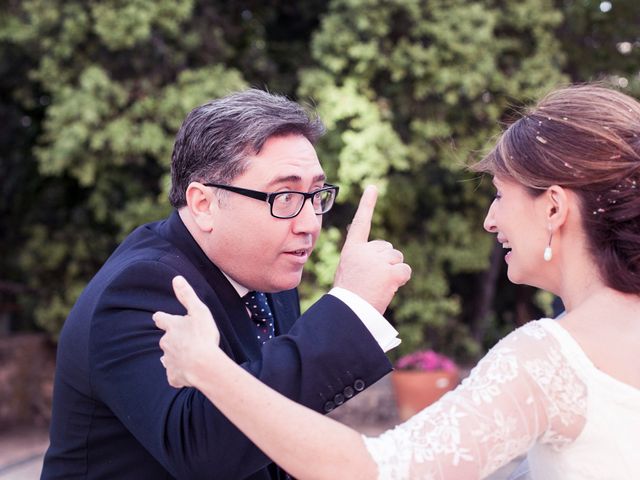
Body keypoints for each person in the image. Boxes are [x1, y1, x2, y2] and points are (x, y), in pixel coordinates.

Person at [154, 83, 640, 479]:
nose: (491, 221)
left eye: (498, 195)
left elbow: (378, 471)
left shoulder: (548, 357)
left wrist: (207, 368)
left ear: (553, 207)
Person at [41, 89, 411, 479]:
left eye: (315, 195)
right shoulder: (143, 287)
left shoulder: (269, 274)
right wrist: (350, 310)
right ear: (203, 204)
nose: (309, 223)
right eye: (284, 196)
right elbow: (201, 450)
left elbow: (278, 427)